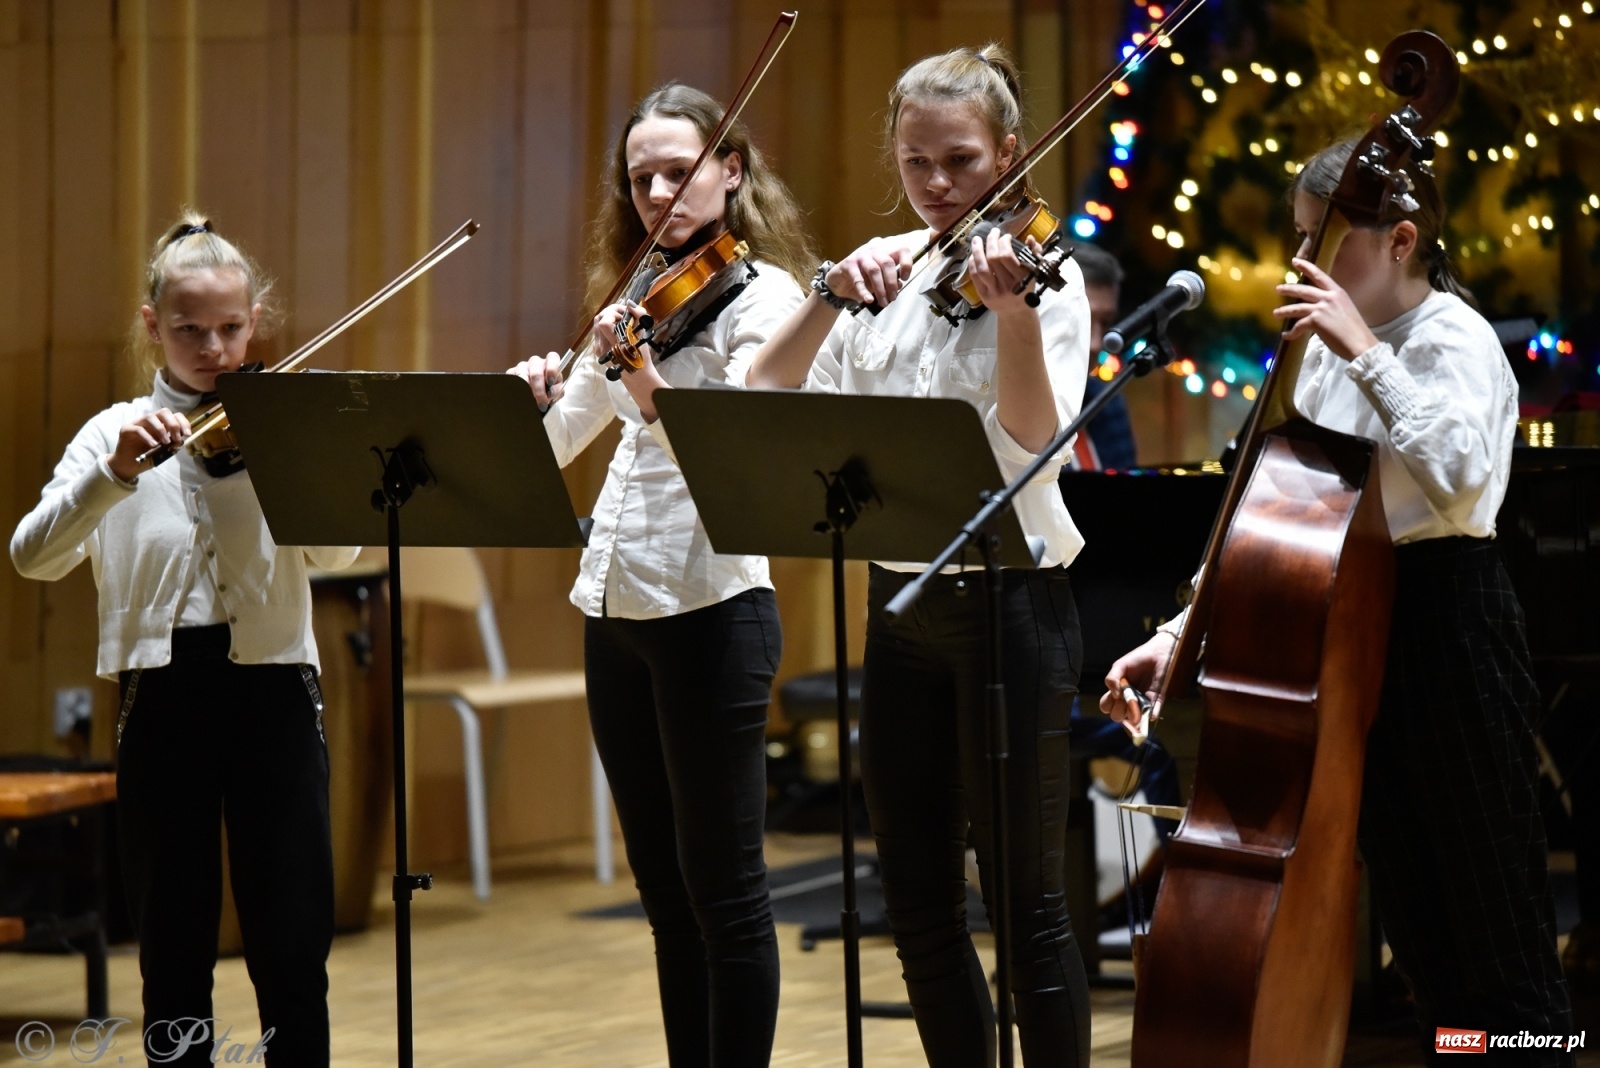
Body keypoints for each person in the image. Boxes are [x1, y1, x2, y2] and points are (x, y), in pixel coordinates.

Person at [1102, 139, 1575, 1065]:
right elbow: (1272, 513)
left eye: (1324, 240)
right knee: (1423, 938)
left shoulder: (1455, 341)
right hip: (1346, 636)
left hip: (1450, 633)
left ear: (1401, 241)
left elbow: (1459, 479)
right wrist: (1176, 632)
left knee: (1497, 934)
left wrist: (1364, 350)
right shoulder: (1317, 356)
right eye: (1298, 239)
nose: (1302, 264)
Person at [747, 44, 1093, 1068]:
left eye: (960, 162)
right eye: (915, 163)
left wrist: (1015, 314)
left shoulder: (1046, 277)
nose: (937, 186)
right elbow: (766, 401)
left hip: (1013, 606)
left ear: (1008, 155)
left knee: (1026, 903)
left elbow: (1035, 440)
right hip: (901, 602)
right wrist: (824, 294)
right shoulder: (883, 273)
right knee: (920, 903)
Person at [506, 83, 812, 1067]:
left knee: (726, 893)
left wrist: (640, 377)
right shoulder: (637, 297)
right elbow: (556, 447)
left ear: (730, 170)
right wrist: (540, 394)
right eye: (640, 176)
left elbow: (733, 458)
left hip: (713, 609)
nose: (657, 192)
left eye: (678, 170)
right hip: (616, 610)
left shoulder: (767, 299)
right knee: (665, 895)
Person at [10, 213, 357, 1067]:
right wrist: (113, 476)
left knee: (291, 939)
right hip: (162, 695)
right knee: (172, 944)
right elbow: (32, 556)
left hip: (275, 688)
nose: (214, 349)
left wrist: (303, 462)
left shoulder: (277, 418)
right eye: (189, 330)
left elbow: (337, 552)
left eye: (232, 329)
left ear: (254, 321)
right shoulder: (113, 432)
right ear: (151, 325)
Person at [1069, 242, 1138, 471]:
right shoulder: (1005, 410)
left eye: (1106, 322)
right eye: (1083, 320)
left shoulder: (1107, 403)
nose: (1096, 343)